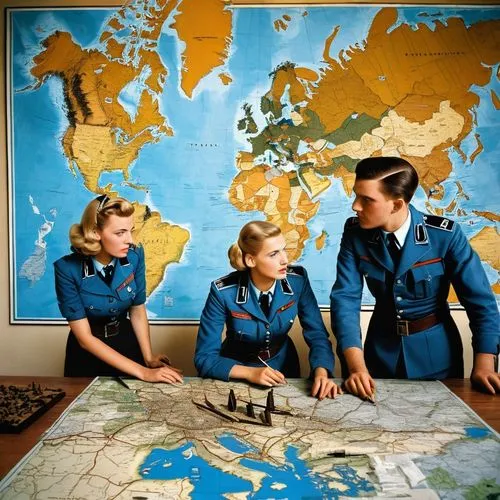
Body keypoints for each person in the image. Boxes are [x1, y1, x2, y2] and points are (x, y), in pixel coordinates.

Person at [330, 156, 500, 397]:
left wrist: (484, 364)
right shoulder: (354, 235)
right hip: (379, 356)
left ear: (397, 205)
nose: (355, 206)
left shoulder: (444, 236)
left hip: (437, 357)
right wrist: (356, 368)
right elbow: (345, 301)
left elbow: (480, 301)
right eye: (356, 196)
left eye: (366, 200)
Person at [195, 221, 340, 399]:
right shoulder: (223, 292)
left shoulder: (298, 281)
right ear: (251, 260)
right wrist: (250, 373)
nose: (284, 260)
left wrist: (322, 373)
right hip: (236, 371)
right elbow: (204, 358)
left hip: (284, 367)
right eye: (273, 254)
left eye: (283, 249)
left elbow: (318, 335)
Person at [54, 195, 183, 384]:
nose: (130, 240)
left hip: (128, 344)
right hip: (86, 356)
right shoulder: (67, 269)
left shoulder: (135, 255)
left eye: (130, 231)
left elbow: (137, 309)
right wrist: (144, 372)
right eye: (120, 233)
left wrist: (147, 358)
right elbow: (85, 338)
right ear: (95, 232)